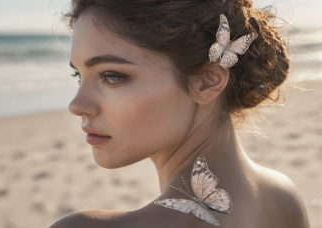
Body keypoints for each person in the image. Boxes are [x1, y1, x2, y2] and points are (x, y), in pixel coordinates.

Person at [51, 0, 309, 227]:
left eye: (112, 76)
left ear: (207, 81)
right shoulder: (284, 198)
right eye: (78, 75)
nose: (77, 105)